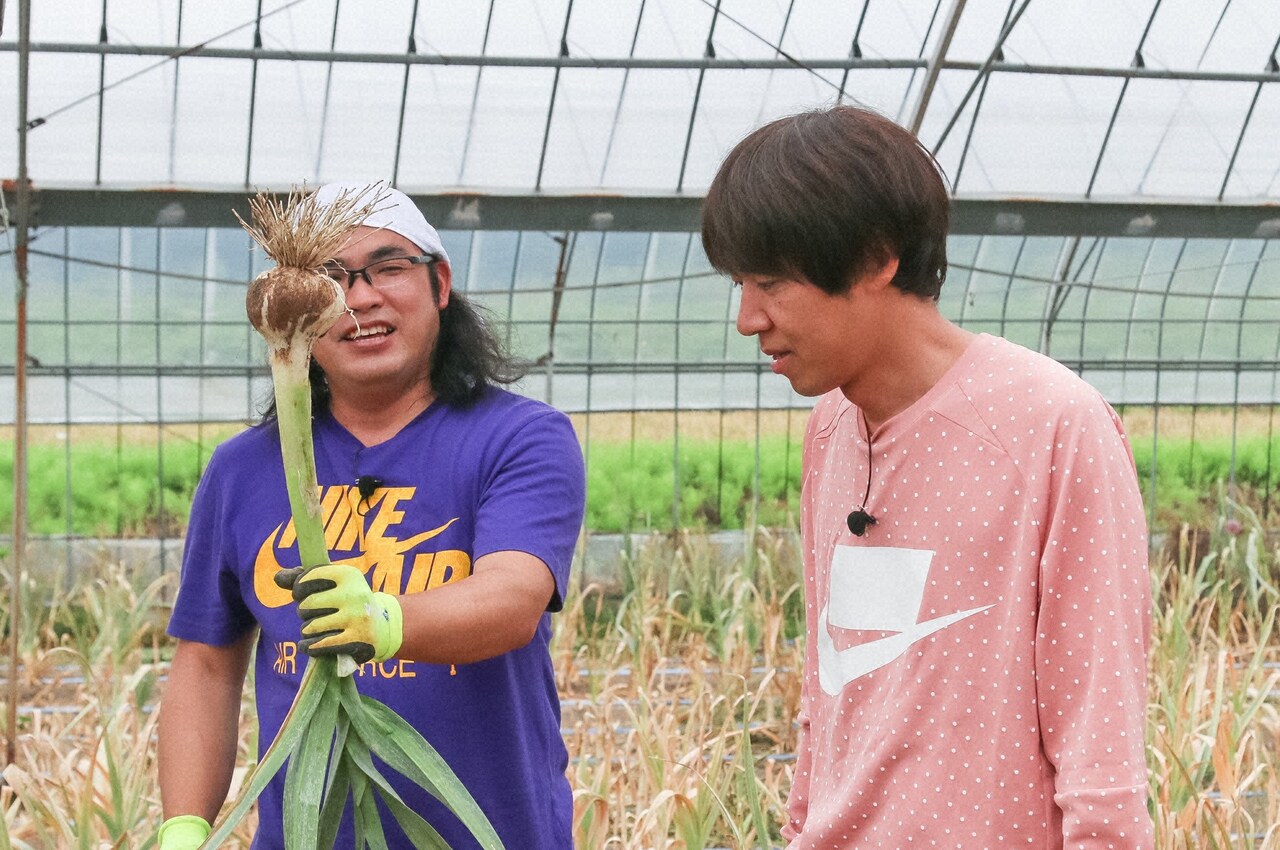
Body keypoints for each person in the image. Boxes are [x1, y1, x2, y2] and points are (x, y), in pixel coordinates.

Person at [701, 106, 1153, 849]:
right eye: (740, 284)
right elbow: (831, 679)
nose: (748, 318)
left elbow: (1098, 716)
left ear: (876, 259)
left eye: (771, 283)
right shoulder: (832, 428)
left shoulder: (1052, 425)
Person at [155, 183, 585, 850]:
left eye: (388, 267)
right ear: (296, 309)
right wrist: (184, 827)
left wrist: (385, 621)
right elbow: (206, 665)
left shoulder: (519, 438)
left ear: (440, 283)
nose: (360, 298)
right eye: (330, 278)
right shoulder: (243, 469)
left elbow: (513, 600)